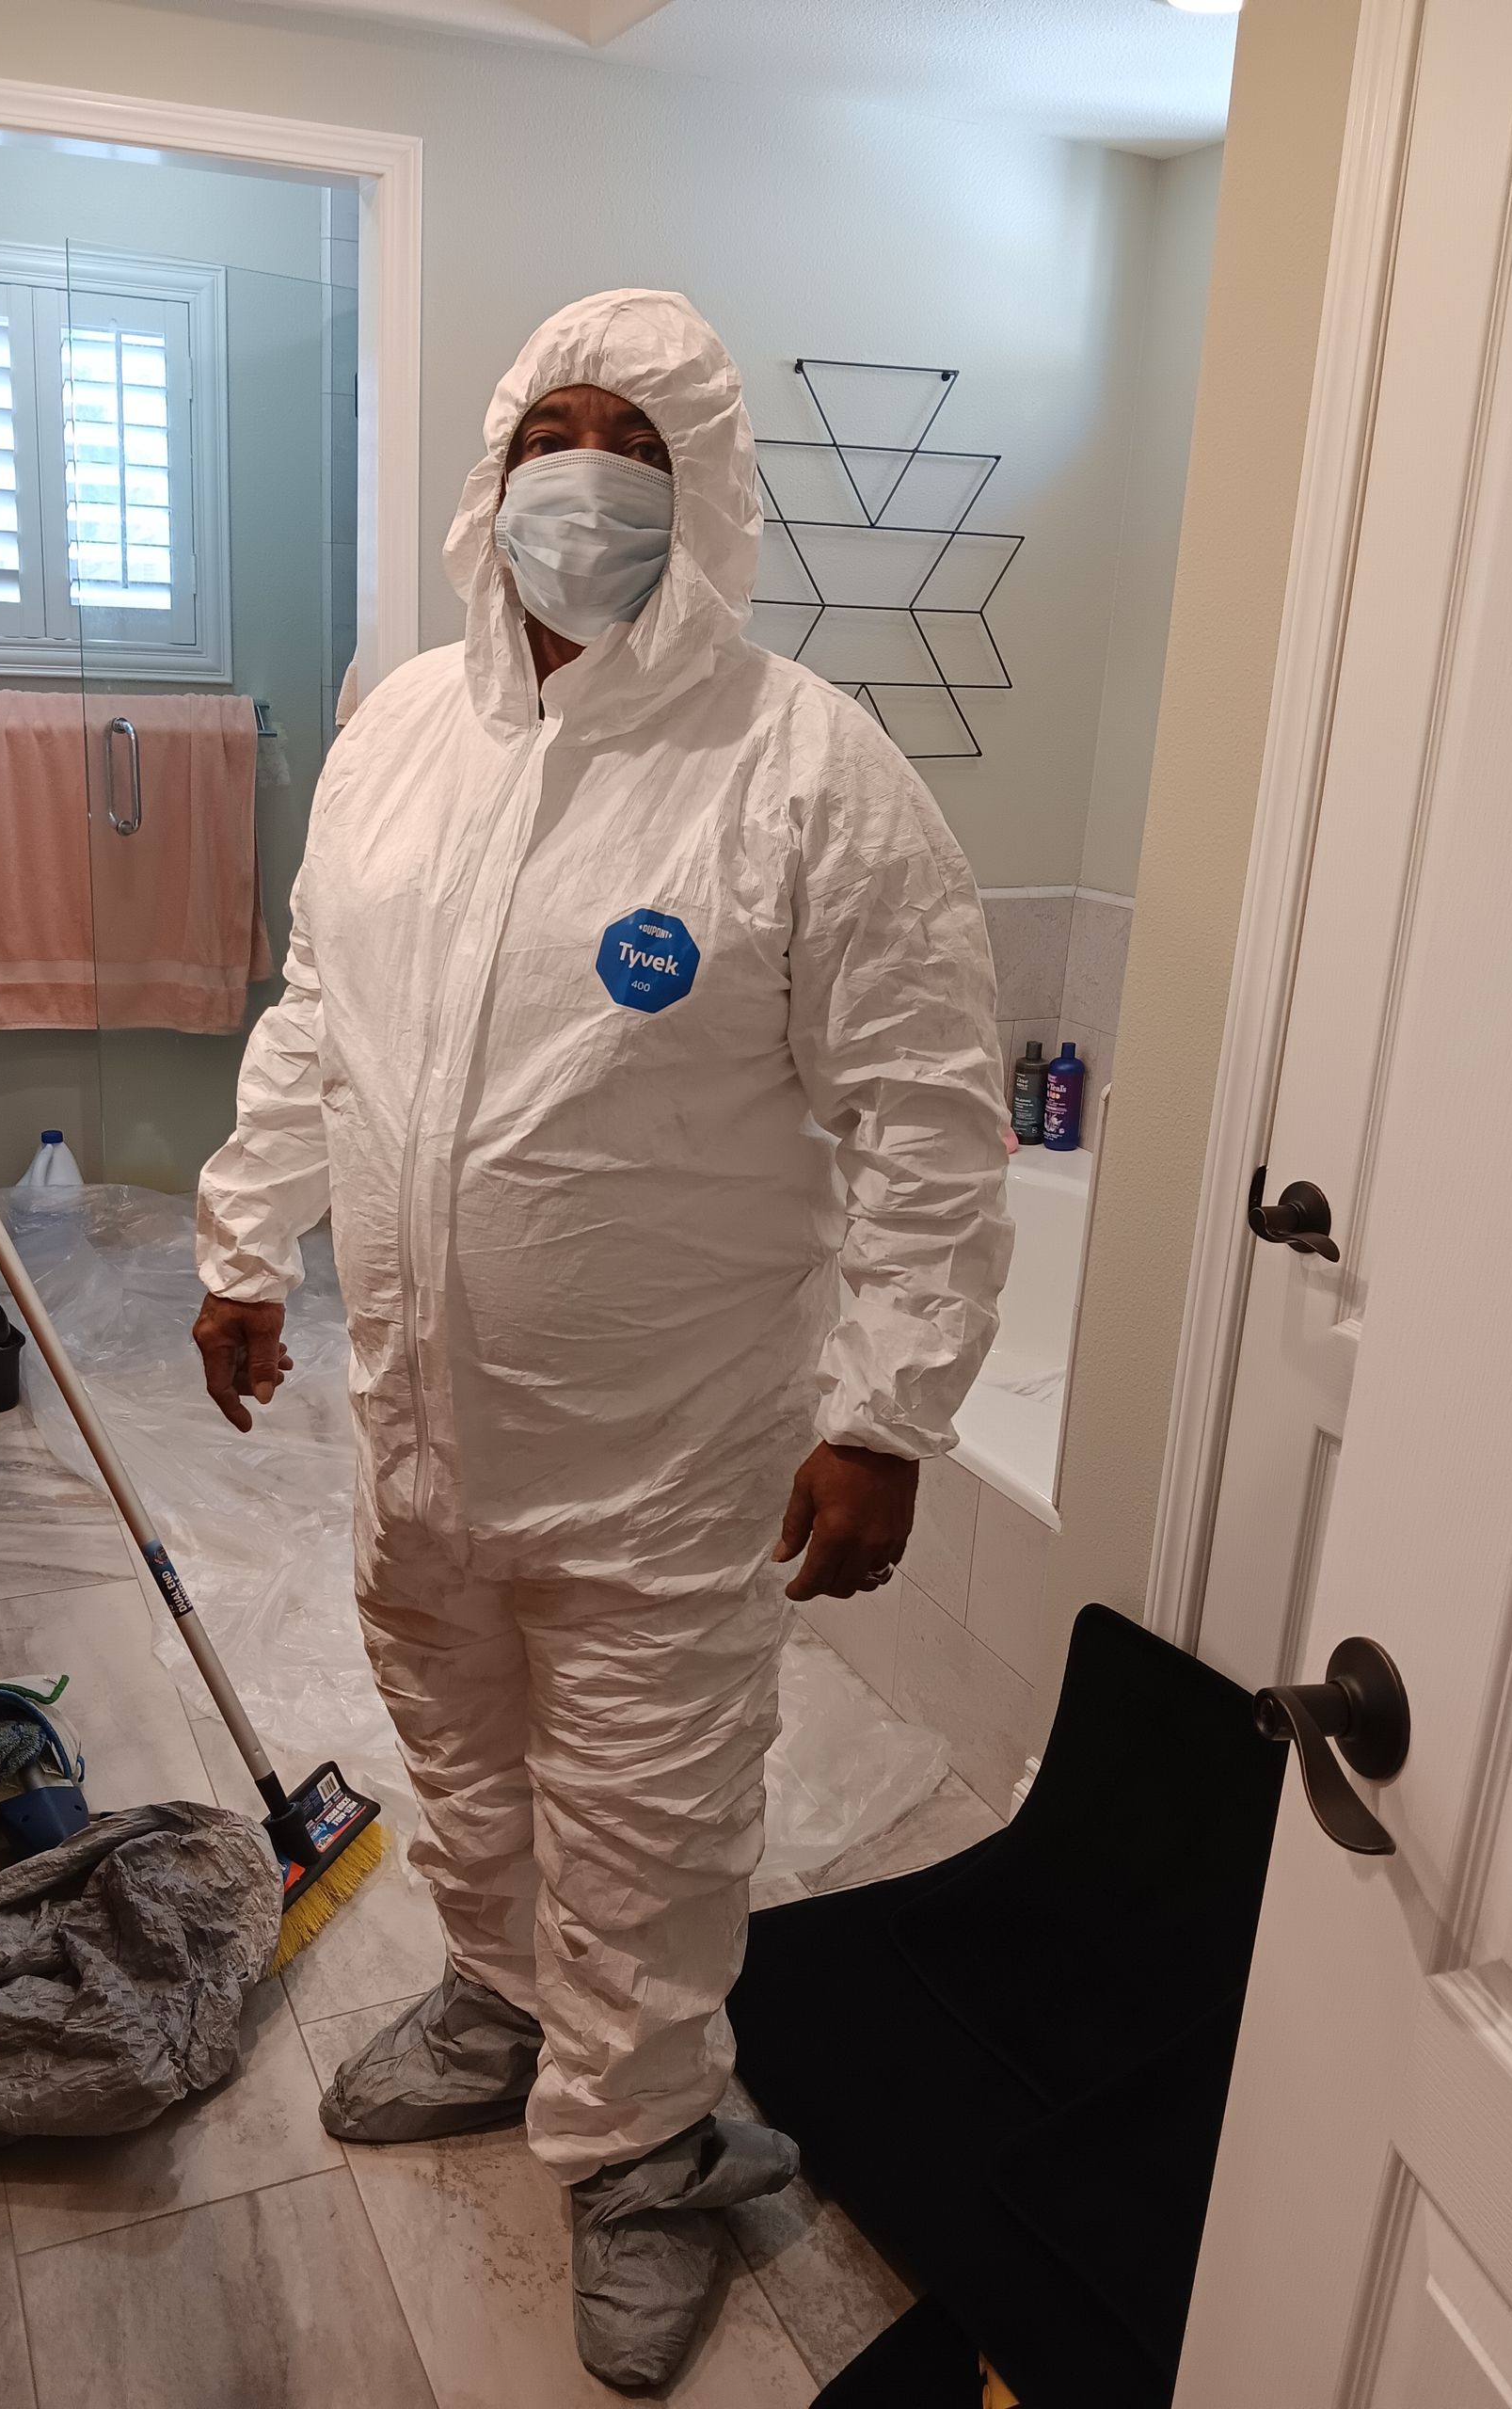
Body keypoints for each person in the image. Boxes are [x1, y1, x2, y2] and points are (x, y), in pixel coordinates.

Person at [194, 289, 1011, 2390]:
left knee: (649, 1818)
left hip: (668, 1451)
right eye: (553, 432)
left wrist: (889, 1416)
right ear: (493, 472)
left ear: (706, 490)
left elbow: (926, 1118)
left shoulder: (807, 772)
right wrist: (243, 1239)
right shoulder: (399, 733)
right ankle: (496, 1993)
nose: (586, 478)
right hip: (420, 1421)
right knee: (458, 1742)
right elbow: (319, 1009)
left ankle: (652, 2148)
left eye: (637, 445)